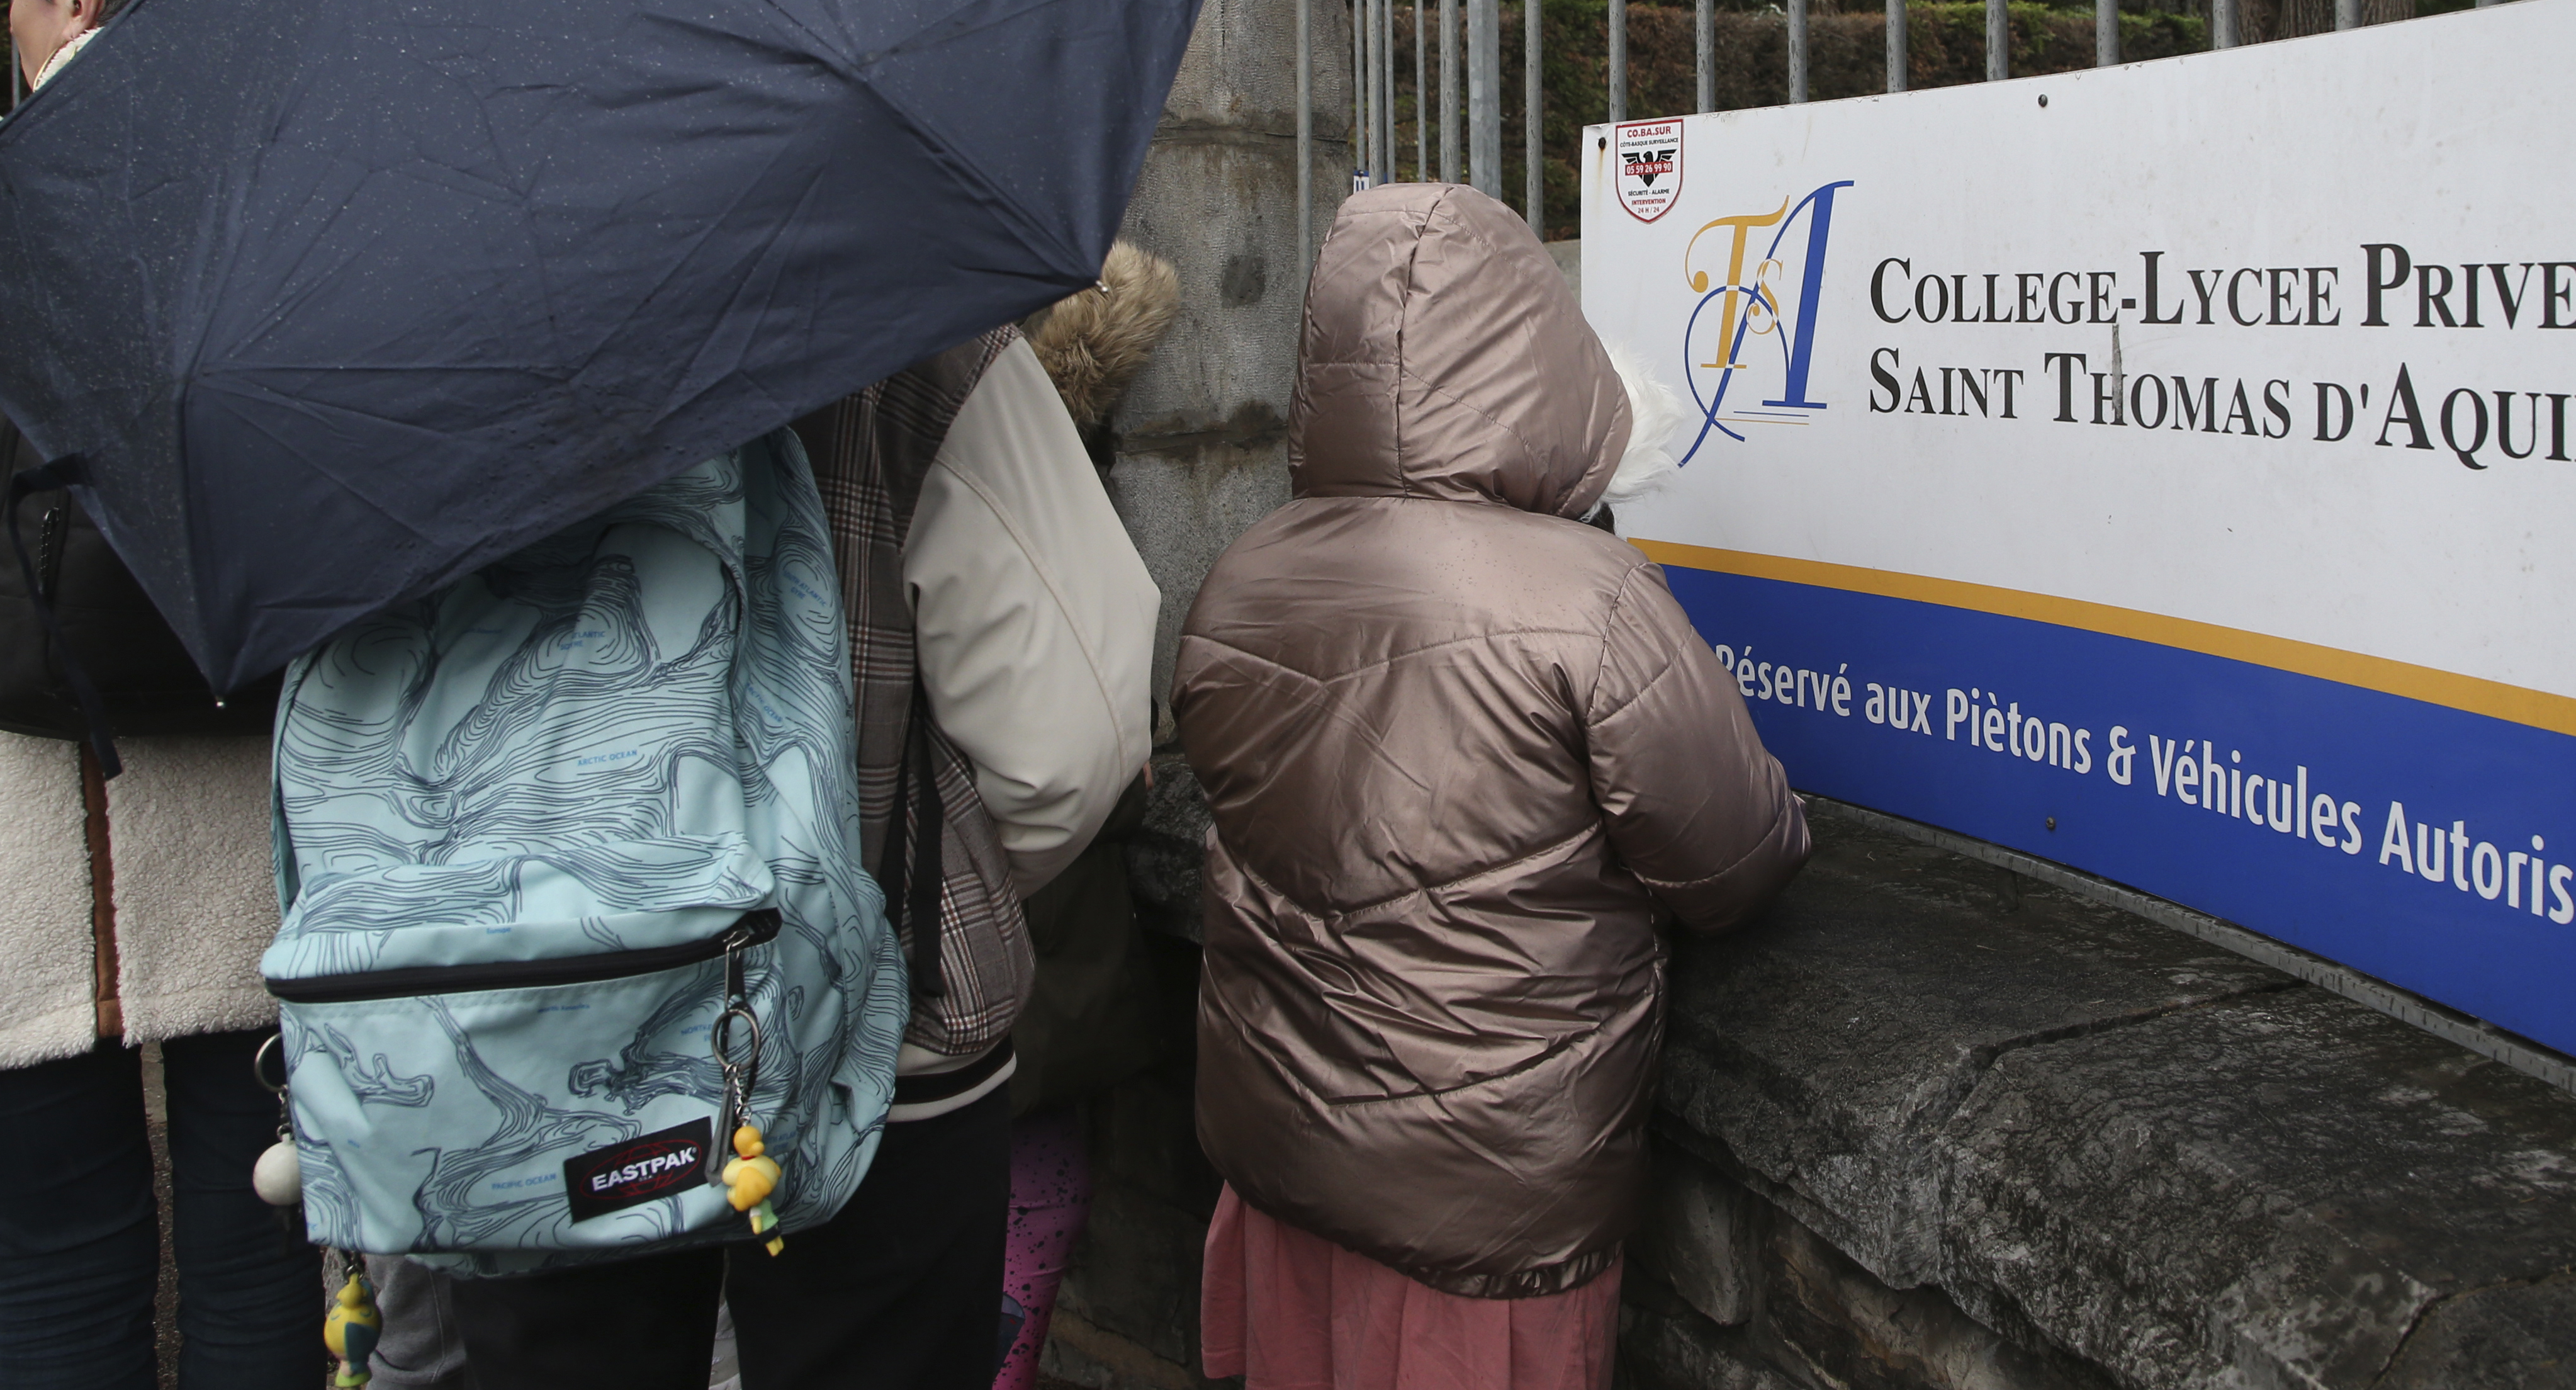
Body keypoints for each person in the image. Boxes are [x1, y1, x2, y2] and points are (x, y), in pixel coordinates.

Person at [448, 281, 1159, 1390]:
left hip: (519, 1022)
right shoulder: (913, 307)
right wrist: (917, 875)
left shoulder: (396, 331)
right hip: (874, 1025)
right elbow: (1069, 745)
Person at [1176, 183, 1811, 1390]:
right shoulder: (1591, 597)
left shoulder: (1243, 573)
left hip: (1282, 1156)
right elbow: (1737, 860)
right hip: (1493, 1199)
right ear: (1537, 355)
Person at [0, 0, 317, 1388]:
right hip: (242, 820)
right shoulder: (279, 188)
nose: (6, 10)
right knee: (265, 1259)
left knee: (60, 1279)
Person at [995, 242, 1179, 1390]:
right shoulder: (1060, 495)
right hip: (1028, 939)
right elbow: (1085, 745)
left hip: (945, 938)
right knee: (1030, 1176)